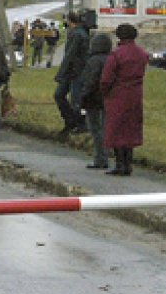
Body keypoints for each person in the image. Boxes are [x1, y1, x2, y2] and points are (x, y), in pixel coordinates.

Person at [100, 23, 149, 176]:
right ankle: (128, 163)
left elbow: (106, 78)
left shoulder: (116, 54)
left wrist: (104, 92)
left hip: (117, 94)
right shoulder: (141, 53)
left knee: (116, 128)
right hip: (135, 94)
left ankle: (120, 163)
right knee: (131, 129)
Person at [78, 32, 113, 169]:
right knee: (104, 127)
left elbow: (90, 81)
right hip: (107, 97)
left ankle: (100, 157)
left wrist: (83, 95)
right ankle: (104, 156)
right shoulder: (111, 59)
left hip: (93, 98)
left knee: (95, 129)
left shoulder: (93, 61)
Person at [53, 10, 90, 135]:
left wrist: (60, 74)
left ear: (69, 20)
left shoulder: (77, 35)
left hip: (76, 72)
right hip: (72, 71)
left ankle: (79, 124)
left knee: (75, 100)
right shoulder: (78, 33)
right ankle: (72, 121)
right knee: (60, 95)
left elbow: (70, 55)